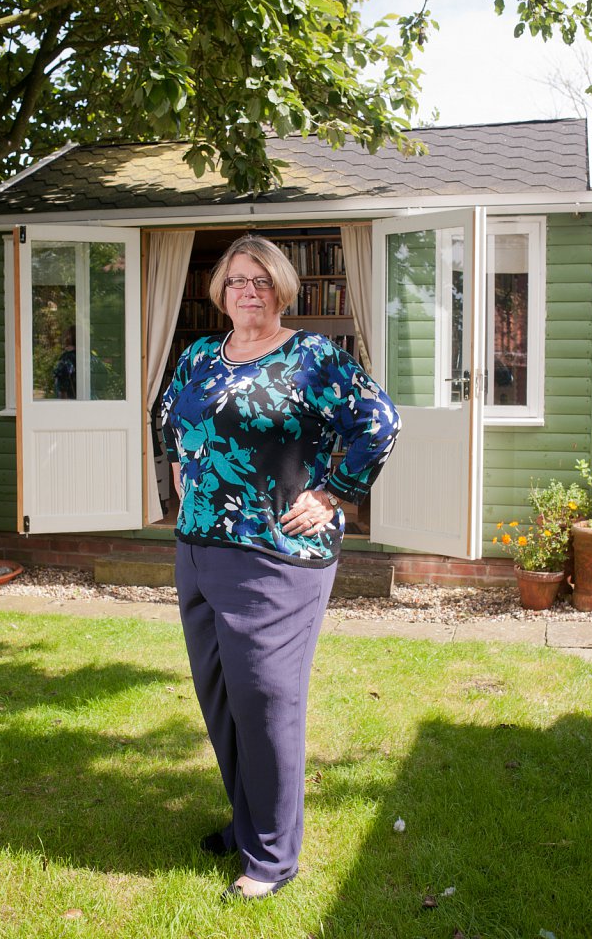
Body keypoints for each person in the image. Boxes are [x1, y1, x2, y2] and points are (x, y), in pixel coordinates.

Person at [161, 235, 400, 901]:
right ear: (220, 291)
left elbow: (377, 421)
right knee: (222, 701)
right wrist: (183, 475)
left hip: (277, 558)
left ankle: (270, 857)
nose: (246, 291)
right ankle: (248, 824)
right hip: (199, 549)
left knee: (266, 702)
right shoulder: (199, 356)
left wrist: (332, 491)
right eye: (235, 281)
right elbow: (170, 421)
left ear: (282, 289)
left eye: (260, 280)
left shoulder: (312, 358)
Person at [53, 325, 77, 399]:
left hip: (72, 403)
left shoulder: (67, 357)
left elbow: (62, 383)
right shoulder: (88, 356)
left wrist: (63, 406)